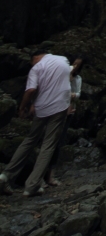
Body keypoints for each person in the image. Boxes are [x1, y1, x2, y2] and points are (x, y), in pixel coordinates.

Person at [0, 49, 71, 197]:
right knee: (48, 145)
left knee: (30, 140)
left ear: (36, 57)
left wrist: (23, 107)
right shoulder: (63, 60)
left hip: (42, 107)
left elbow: (31, 89)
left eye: (31, 62)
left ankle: (6, 175)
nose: (31, 65)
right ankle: (31, 185)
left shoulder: (37, 68)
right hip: (60, 106)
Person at [44, 54, 85, 187]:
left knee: (58, 142)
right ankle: (40, 174)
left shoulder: (78, 79)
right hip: (55, 110)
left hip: (68, 112)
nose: (75, 66)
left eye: (78, 65)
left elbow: (78, 94)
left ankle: (51, 175)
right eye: (75, 63)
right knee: (48, 141)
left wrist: (72, 95)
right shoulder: (62, 74)